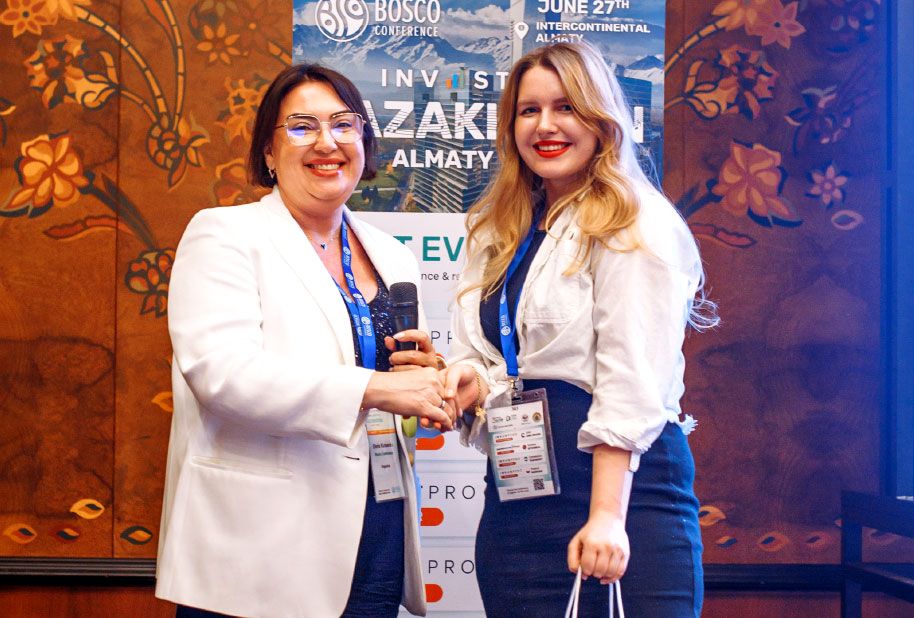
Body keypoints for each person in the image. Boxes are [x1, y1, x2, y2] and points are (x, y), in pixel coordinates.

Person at [155, 64, 453, 618]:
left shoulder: (392, 255)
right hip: (260, 545)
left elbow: (387, 386)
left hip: (377, 525)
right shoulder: (225, 235)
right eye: (301, 126)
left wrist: (426, 379)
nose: (327, 143)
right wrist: (375, 388)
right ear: (269, 152)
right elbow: (222, 375)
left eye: (344, 124)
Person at [442, 41, 716, 616]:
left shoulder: (634, 220)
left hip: (623, 503)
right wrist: (469, 382)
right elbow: (492, 355)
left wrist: (607, 516)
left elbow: (631, 381)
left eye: (566, 107)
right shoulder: (498, 228)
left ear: (601, 119)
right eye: (529, 110)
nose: (545, 125)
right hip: (518, 501)